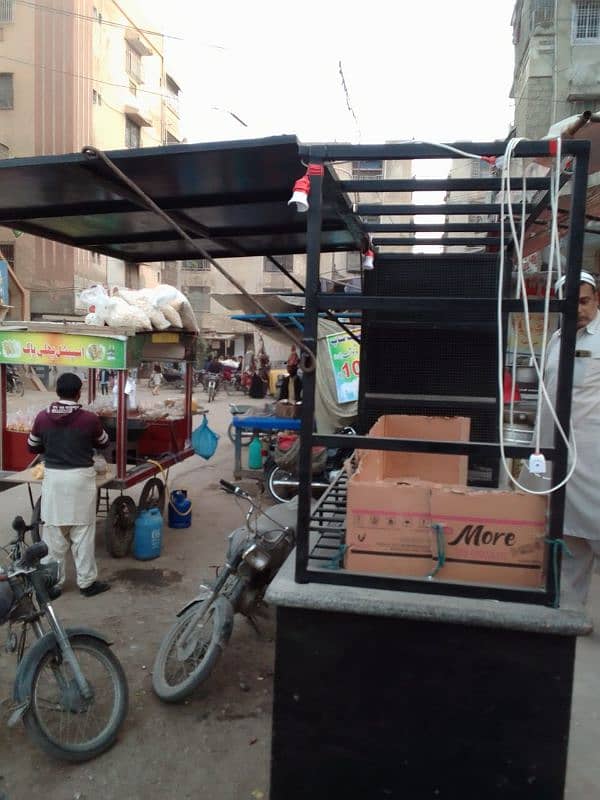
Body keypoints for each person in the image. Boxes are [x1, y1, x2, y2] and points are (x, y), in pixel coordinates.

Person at [524, 271, 600, 607]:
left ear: (596, 299)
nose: (579, 310)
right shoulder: (557, 338)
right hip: (560, 457)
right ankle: (568, 619)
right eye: (572, 304)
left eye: (584, 301)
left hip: (594, 458)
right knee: (568, 541)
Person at [27, 372, 110, 597]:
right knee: (82, 533)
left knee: (53, 533)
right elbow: (104, 442)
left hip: (54, 478)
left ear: (57, 392)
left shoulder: (42, 417)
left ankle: (53, 584)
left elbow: (32, 446)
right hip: (81, 479)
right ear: (78, 393)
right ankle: (86, 584)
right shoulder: (90, 419)